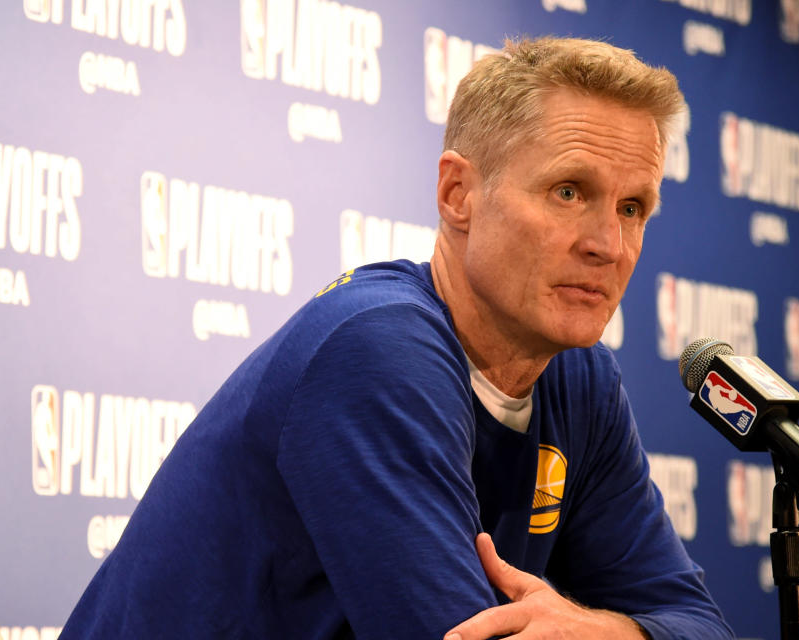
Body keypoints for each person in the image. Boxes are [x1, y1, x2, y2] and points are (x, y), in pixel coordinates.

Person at [60, 37, 734, 639]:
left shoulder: (580, 380)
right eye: (567, 191)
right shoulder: (376, 349)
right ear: (457, 193)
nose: (607, 244)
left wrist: (612, 635)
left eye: (632, 207)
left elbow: (698, 623)